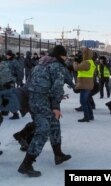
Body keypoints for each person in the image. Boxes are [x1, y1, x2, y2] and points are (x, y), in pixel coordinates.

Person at [18, 45, 71, 177]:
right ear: (60, 56)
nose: (66, 58)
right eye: (65, 55)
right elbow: (57, 89)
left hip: (34, 100)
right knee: (43, 130)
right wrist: (56, 107)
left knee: (54, 124)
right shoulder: (57, 66)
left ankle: (58, 154)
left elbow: (31, 82)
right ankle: (27, 164)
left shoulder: (40, 64)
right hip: (42, 102)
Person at [73, 48, 95, 122]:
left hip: (84, 84)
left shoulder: (86, 62)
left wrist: (75, 62)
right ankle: (90, 115)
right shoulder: (90, 62)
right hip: (87, 84)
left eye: (83, 54)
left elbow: (76, 68)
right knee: (87, 101)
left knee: (83, 102)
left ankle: (86, 117)